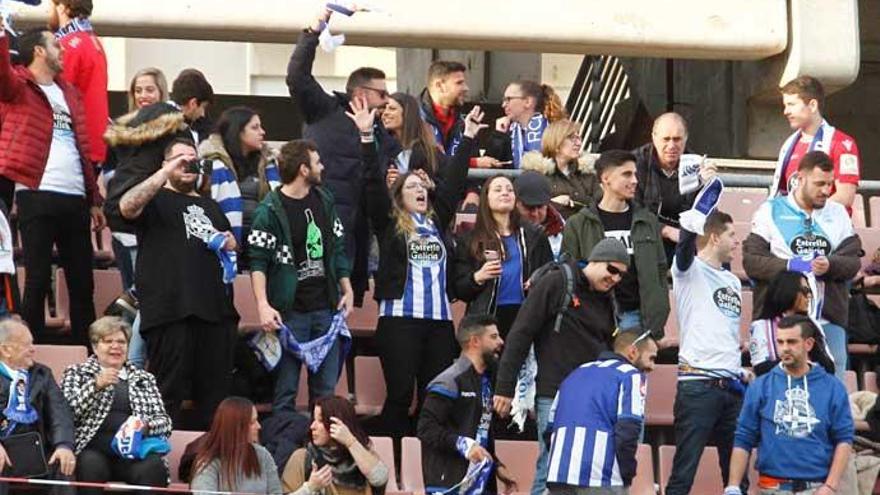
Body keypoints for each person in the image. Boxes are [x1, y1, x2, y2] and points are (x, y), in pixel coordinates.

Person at [357, 96, 487, 440]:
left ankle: (426, 461)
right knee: (400, 396)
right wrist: (367, 139)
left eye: (422, 186)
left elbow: (455, 181)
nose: (419, 189)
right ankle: (395, 458)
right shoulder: (390, 224)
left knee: (435, 398)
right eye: (410, 186)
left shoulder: (438, 219)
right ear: (399, 195)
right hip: (400, 320)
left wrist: (468, 136)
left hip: (440, 323)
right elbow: (372, 184)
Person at [493, 238, 629, 495]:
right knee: (551, 466)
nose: (616, 279)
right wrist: (504, 386)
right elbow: (521, 333)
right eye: (612, 270)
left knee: (582, 470)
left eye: (622, 275)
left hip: (592, 398)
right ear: (596, 259)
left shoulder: (608, 300)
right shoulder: (558, 281)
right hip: (556, 390)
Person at [119, 138, 239, 429]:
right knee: (166, 395)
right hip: (170, 311)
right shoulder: (155, 199)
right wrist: (165, 172)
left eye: (192, 159)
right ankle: (158, 462)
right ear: (165, 164)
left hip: (214, 313)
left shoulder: (210, 205)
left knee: (216, 402)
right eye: (180, 159)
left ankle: (208, 465)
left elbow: (229, 245)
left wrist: (230, 243)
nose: (188, 164)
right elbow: (126, 207)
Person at [287, 6, 400, 305]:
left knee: (343, 316)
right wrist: (312, 32)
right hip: (316, 227)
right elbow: (297, 77)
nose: (388, 100)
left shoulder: (385, 138)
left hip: (355, 238)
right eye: (382, 93)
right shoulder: (324, 110)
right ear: (360, 94)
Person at [0, 24, 104, 347]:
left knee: (82, 284)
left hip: (75, 197)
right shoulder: (18, 84)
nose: (63, 52)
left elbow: (83, 146)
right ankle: (28, 356)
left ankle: (87, 360)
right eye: (56, 46)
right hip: (37, 193)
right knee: (37, 279)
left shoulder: (69, 91)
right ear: (40, 51)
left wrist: (94, 197)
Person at [248, 139, 353, 413]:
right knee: (285, 392)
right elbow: (258, 261)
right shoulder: (268, 210)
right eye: (317, 162)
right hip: (289, 312)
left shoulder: (325, 200)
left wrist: (347, 288)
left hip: (326, 309)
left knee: (326, 394)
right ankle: (284, 452)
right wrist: (262, 305)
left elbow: (338, 247)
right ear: (304, 169)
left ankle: (320, 451)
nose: (323, 167)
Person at [744, 150, 861, 381]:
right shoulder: (770, 210)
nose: (827, 191)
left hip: (828, 320)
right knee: (778, 391)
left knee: (829, 391)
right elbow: (751, 261)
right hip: (780, 322)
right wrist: (789, 265)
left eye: (830, 184)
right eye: (820, 184)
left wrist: (830, 264)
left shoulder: (838, 214)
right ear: (800, 178)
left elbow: (852, 262)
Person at [665, 209, 749, 495]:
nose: (737, 242)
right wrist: (691, 222)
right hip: (698, 385)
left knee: (737, 479)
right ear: (714, 237)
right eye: (731, 235)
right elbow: (684, 250)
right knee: (683, 473)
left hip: (733, 387)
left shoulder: (734, 281)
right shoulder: (688, 271)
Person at [723, 315, 853, 495]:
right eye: (780, 342)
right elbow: (743, 438)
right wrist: (733, 486)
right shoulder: (761, 386)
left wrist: (830, 486)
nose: (784, 348)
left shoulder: (833, 387)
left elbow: (844, 439)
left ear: (808, 344)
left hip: (817, 488)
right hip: (771, 487)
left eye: (791, 342)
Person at [561, 150, 669, 334]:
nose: (635, 180)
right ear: (606, 178)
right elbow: (569, 273)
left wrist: (659, 312)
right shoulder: (578, 224)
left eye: (635, 174)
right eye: (627, 174)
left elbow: (660, 271)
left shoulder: (648, 221)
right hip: (595, 317)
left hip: (640, 318)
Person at [60, 316, 171, 494]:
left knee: (153, 467)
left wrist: (145, 426)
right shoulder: (77, 373)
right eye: (108, 341)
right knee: (90, 465)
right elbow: (66, 414)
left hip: (132, 453)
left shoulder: (144, 378)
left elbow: (165, 422)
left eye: (121, 341)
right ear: (95, 347)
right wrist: (94, 387)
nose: (116, 346)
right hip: (92, 449)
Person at [544, 327, 658, 494]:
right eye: (652, 358)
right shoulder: (630, 375)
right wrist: (627, 474)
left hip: (558, 475)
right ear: (633, 352)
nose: (653, 366)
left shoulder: (575, 373)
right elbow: (628, 430)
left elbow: (549, 430)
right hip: (601, 477)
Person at [104, 68, 214, 234]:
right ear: (193, 103)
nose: (202, 114)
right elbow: (190, 170)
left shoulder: (131, 122)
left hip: (116, 207)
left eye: (149, 90)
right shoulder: (179, 126)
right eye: (203, 107)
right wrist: (212, 167)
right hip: (145, 214)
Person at [418, 315, 516, 494]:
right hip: (449, 484)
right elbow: (426, 428)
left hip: (480, 483)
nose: (501, 342)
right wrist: (463, 445)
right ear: (475, 341)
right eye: (493, 337)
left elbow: (479, 430)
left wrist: (496, 465)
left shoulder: (485, 381)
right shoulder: (449, 381)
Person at [453, 175, 552, 338]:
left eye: (509, 190)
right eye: (498, 190)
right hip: (486, 317)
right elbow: (460, 288)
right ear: (486, 198)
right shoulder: (470, 239)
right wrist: (478, 277)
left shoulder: (534, 234)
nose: (505, 193)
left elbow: (549, 271)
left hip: (525, 313)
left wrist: (537, 279)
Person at [103, 67, 169, 292]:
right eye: (138, 90)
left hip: (160, 223)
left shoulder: (173, 127)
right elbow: (109, 173)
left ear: (161, 92)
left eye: (149, 89)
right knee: (134, 295)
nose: (143, 96)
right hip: (125, 226)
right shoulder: (119, 130)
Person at [0, 319, 76, 495]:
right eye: (27, 345)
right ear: (6, 350)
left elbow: (59, 411)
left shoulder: (42, 374)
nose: (34, 349)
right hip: (3, 450)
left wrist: (63, 445)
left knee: (62, 463)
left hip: (37, 451)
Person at [632, 112, 717, 264]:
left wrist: (707, 187)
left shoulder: (697, 165)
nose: (671, 146)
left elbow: (706, 216)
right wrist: (665, 230)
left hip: (686, 238)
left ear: (686, 138)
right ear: (654, 137)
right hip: (648, 236)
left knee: (715, 249)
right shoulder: (636, 163)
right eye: (666, 139)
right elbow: (633, 211)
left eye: (677, 139)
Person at [770, 76, 861, 214]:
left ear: (812, 105)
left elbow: (845, 197)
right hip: (791, 230)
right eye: (785, 105)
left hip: (830, 230)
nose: (786, 111)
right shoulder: (789, 144)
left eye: (791, 104)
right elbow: (781, 192)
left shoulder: (842, 144)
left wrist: (804, 214)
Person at [201, 106, 281, 257]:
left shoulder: (269, 162)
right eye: (255, 127)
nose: (262, 132)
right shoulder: (211, 161)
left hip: (260, 243)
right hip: (223, 242)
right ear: (237, 131)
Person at [282, 396, 389, 494]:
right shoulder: (303, 458)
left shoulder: (360, 454)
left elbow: (380, 479)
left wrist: (351, 442)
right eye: (313, 420)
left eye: (320, 421)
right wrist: (310, 487)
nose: (312, 426)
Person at [50, 0, 108, 167]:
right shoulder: (93, 41)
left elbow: (57, 99)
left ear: (62, 7)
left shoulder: (66, 45)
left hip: (73, 148)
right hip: (92, 145)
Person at [749, 271, 834, 377]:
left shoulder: (813, 325)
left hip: (813, 386)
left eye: (810, 291)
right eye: (805, 290)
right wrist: (799, 363)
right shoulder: (761, 326)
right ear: (788, 291)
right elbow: (761, 368)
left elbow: (829, 367)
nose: (809, 296)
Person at [190, 396, 283, 494]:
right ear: (236, 427)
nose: (259, 426)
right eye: (252, 422)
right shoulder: (209, 462)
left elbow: (276, 493)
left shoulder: (263, 455)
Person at [521, 119, 600, 219]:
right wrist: (554, 203)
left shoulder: (587, 173)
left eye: (579, 138)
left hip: (586, 231)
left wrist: (571, 200)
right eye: (572, 138)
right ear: (556, 141)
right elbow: (529, 208)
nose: (578, 143)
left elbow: (600, 203)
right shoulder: (536, 175)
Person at [487, 80, 566, 169]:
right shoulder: (507, 131)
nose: (503, 105)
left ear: (528, 102)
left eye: (508, 99)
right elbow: (490, 166)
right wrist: (498, 135)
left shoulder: (552, 130)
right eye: (504, 100)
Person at [515, 171, 566, 260]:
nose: (535, 213)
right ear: (516, 203)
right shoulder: (507, 231)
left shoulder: (561, 226)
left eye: (540, 207)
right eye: (529, 207)